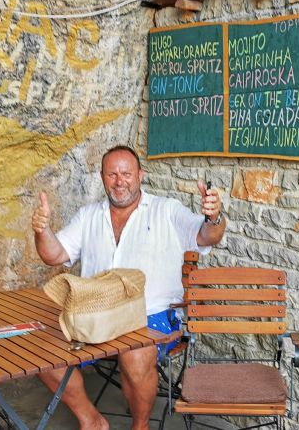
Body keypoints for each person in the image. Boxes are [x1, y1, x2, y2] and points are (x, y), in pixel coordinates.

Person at [31, 145, 226, 430]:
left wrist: (214, 217)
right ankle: (91, 419)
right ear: (102, 177)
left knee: (134, 354)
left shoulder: (166, 210)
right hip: (97, 316)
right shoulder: (89, 215)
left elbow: (207, 236)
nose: (119, 181)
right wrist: (42, 231)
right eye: (112, 174)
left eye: (126, 173)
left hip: (154, 315)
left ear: (140, 175)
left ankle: (141, 426)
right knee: (42, 354)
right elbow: (54, 255)